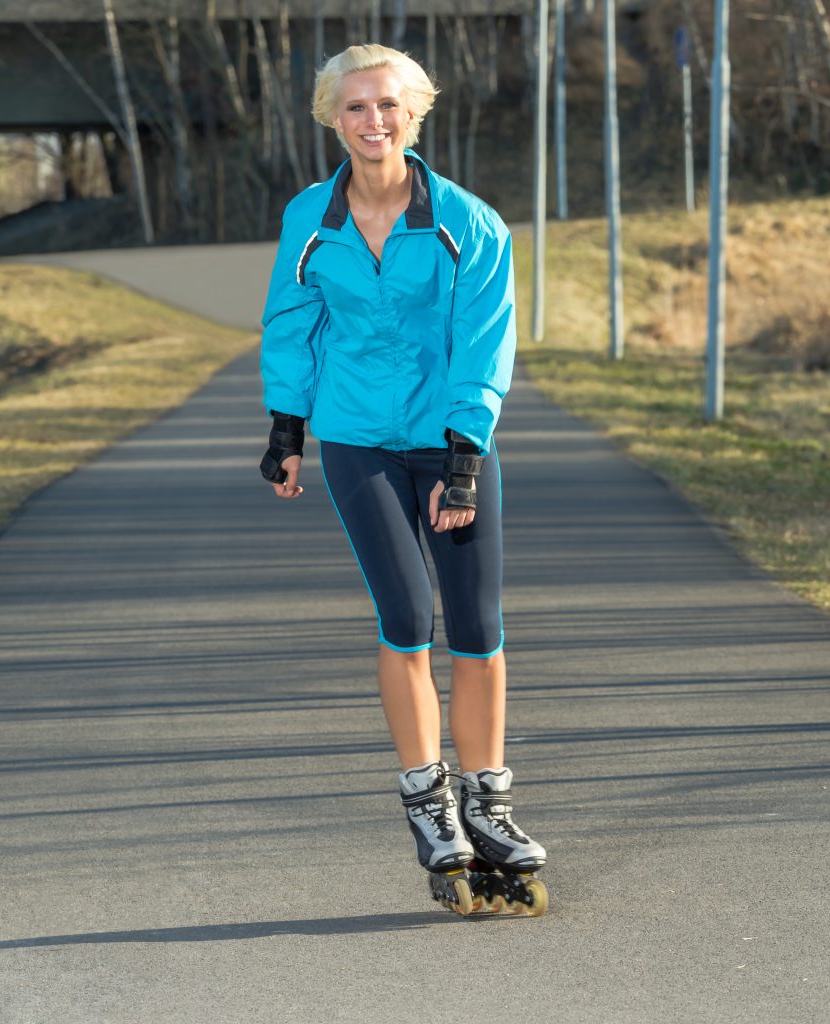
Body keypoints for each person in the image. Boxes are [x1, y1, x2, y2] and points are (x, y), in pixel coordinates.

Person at [258, 44, 546, 915]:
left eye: (388, 105)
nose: (373, 121)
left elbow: (485, 342)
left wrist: (464, 458)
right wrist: (287, 425)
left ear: (416, 113)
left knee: (478, 626)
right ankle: (430, 804)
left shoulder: (468, 221)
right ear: (330, 117)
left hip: (450, 437)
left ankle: (489, 807)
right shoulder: (311, 216)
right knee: (405, 617)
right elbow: (291, 318)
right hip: (358, 440)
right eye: (355, 108)